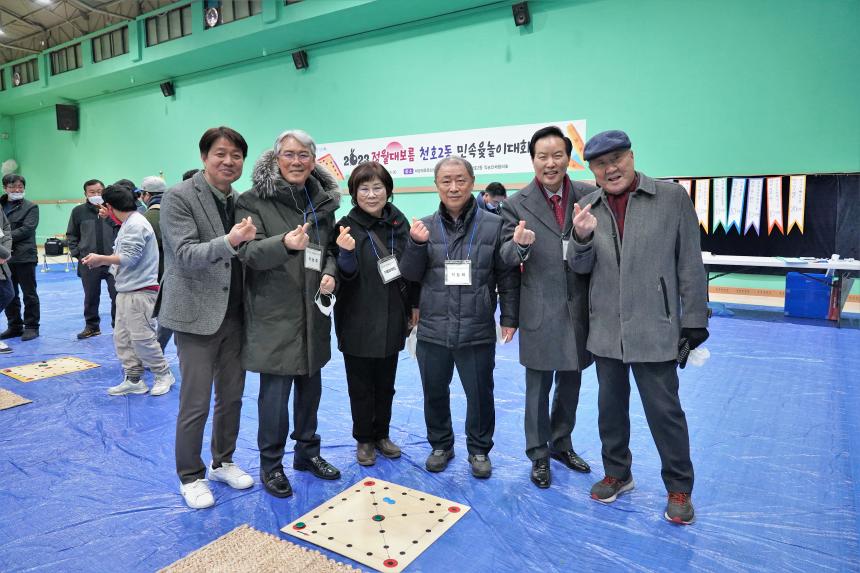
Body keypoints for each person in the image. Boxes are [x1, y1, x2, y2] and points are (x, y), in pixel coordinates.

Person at [569, 130, 709, 525]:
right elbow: (579, 268)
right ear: (592, 171)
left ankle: (679, 488)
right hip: (606, 330)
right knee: (610, 410)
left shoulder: (671, 198)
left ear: (631, 157)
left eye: (617, 159)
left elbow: (690, 262)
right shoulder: (587, 207)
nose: (610, 169)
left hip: (655, 326)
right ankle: (618, 473)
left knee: (665, 412)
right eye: (600, 164)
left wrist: (694, 320)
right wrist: (580, 238)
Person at [236, 129, 342, 498]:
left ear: (313, 161)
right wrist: (283, 243)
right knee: (274, 397)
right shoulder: (252, 201)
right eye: (289, 155)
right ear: (276, 158)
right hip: (274, 314)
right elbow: (247, 253)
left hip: (313, 312)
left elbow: (329, 249)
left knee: (311, 389)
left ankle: (307, 453)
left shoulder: (322, 202)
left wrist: (331, 272)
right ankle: (271, 464)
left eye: (304, 155)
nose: (296, 162)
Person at [400, 156, 519, 479]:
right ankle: (441, 445)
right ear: (436, 185)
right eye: (446, 181)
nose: (453, 187)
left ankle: (479, 449)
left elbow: (507, 275)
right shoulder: (424, 226)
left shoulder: (494, 225)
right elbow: (410, 275)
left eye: (460, 180)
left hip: (476, 326)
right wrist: (415, 244)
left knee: (480, 394)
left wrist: (509, 317)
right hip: (433, 328)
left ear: (472, 182)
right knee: (434, 392)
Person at [160, 127, 257, 509]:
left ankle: (222, 461)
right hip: (196, 317)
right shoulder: (179, 197)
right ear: (204, 157)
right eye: (220, 153)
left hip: (236, 316)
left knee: (231, 397)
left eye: (236, 155)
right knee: (195, 401)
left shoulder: (241, 200)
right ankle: (190, 475)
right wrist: (231, 241)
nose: (228, 161)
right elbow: (184, 254)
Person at [499, 126, 596, 489]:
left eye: (557, 155)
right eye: (543, 156)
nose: (550, 163)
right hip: (538, 308)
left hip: (579, 309)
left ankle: (562, 443)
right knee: (537, 389)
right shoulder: (516, 203)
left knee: (571, 382)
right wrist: (520, 245)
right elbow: (505, 256)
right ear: (533, 160)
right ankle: (538, 453)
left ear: (568, 158)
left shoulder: (589, 195)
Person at [332, 161, 419, 466]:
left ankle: (382, 434)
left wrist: (414, 306)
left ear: (388, 190)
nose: (371, 195)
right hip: (356, 316)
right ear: (354, 193)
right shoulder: (345, 225)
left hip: (393, 314)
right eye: (364, 188)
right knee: (360, 386)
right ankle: (364, 439)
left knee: (386, 384)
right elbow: (343, 275)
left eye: (378, 187)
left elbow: (411, 269)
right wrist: (345, 253)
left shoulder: (398, 222)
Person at [81, 185, 174, 397]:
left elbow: (130, 258)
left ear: (109, 206)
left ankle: (163, 374)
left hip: (140, 291)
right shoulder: (128, 223)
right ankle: (134, 379)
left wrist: (100, 259)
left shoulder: (136, 224)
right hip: (125, 289)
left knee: (143, 338)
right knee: (122, 338)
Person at [66, 179, 119, 339]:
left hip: (112, 260)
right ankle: (92, 326)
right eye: (92, 192)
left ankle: (118, 327)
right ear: (86, 194)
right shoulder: (78, 211)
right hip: (89, 262)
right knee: (90, 296)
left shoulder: (113, 209)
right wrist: (78, 254)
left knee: (117, 295)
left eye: (99, 191)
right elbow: (71, 235)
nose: (96, 194)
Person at [0, 174, 40, 342]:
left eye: (20, 187)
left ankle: (31, 326)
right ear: (5, 188)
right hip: (4, 258)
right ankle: (14, 326)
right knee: (9, 293)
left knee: (29, 293)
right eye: (12, 187)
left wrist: (4, 238)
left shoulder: (31, 207)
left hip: (24, 256)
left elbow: (27, 229)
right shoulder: (1, 205)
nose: (17, 190)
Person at [140, 175, 173, 350]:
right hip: (179, 274)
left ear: (146, 195)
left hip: (156, 277)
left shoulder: (146, 219)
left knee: (161, 319)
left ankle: (155, 353)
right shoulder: (177, 212)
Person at [0, 209, 15, 354]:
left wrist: (5, 252)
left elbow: (5, 228)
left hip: (2, 260)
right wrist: (4, 253)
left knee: (8, 293)